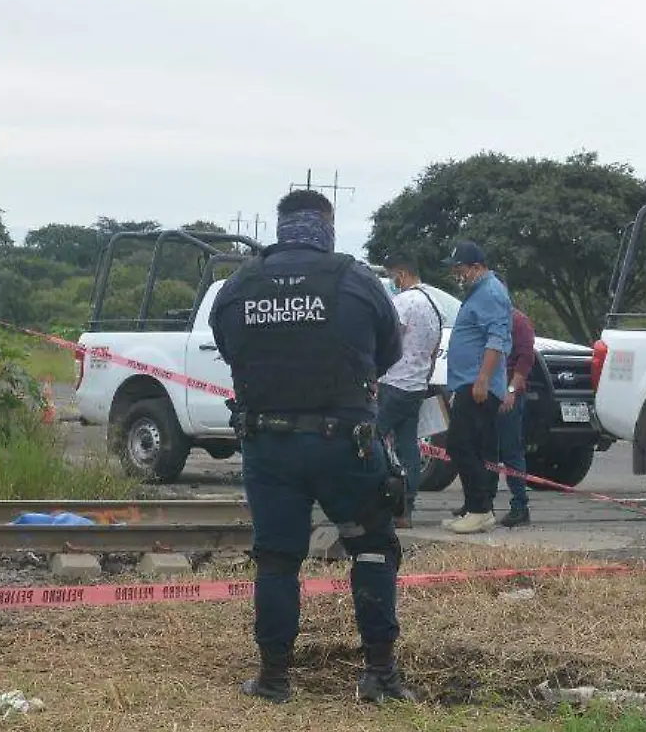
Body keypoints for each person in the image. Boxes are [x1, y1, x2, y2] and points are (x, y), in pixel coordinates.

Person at [210, 189, 416, 704]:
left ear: (281, 227)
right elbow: (389, 350)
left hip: (268, 445)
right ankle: (380, 674)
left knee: (277, 559)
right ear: (325, 225)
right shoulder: (356, 279)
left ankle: (275, 678)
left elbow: (228, 348)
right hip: (345, 444)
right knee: (371, 549)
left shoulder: (238, 286)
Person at [441, 241, 512, 535]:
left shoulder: (491, 293)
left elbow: (497, 339)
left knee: (460, 445)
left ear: (476, 267)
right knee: (469, 446)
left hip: (477, 384)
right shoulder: (478, 293)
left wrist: (483, 378)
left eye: (460, 269)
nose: (457, 275)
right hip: (468, 382)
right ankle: (474, 507)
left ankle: (481, 509)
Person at [375, 257, 444, 528]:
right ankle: (406, 509)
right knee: (408, 448)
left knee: (372, 440)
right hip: (416, 386)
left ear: (401, 275)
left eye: (393, 278)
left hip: (393, 383)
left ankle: (375, 502)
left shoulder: (403, 302)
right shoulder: (436, 304)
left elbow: (390, 338)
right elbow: (435, 348)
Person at [494, 303, 538, 528]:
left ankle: (520, 505)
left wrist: (511, 390)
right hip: (489, 392)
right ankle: (481, 504)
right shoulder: (489, 318)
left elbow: (525, 358)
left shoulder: (518, 321)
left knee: (511, 451)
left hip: (508, 393)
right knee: (486, 451)